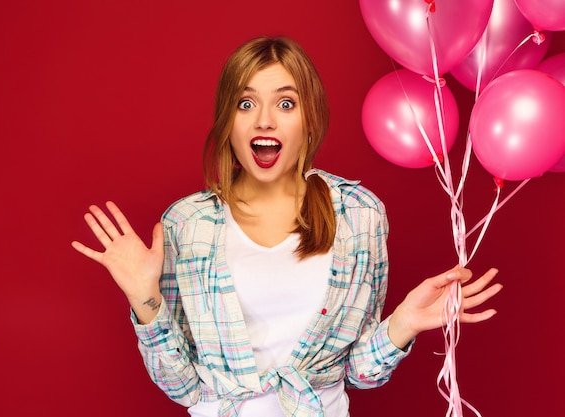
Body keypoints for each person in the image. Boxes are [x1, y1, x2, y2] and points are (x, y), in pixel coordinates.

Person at [71, 37, 502, 417]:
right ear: (228, 121)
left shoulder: (359, 214)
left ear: (309, 119)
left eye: (285, 103)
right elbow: (181, 387)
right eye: (245, 103)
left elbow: (361, 375)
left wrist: (403, 323)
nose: (264, 120)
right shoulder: (186, 224)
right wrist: (143, 298)